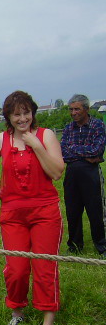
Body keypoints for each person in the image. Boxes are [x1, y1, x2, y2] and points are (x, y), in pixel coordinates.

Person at [0, 91, 65, 325]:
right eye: (16, 114)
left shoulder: (46, 135)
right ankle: (17, 311)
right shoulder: (0, 140)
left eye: (26, 112)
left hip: (45, 212)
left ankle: (47, 321)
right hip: (13, 214)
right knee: (16, 269)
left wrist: (37, 146)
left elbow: (57, 172)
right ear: (8, 116)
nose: (22, 118)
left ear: (33, 112)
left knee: (44, 266)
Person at [60, 94, 106, 258]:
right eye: (71, 109)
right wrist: (84, 154)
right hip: (72, 173)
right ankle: (74, 245)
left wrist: (75, 150)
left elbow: (97, 150)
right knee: (72, 210)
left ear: (86, 109)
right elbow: (63, 153)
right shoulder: (68, 128)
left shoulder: (97, 126)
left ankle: (101, 245)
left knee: (95, 210)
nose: (73, 113)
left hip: (90, 173)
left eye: (77, 109)